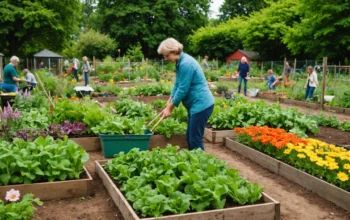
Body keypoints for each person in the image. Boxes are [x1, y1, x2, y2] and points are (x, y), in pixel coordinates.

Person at [157, 38, 214, 151]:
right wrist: (170, 99)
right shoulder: (180, 62)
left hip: (201, 105)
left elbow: (183, 90)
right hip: (196, 106)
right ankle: (194, 164)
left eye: (166, 55)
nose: (165, 58)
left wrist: (170, 108)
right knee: (190, 137)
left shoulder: (186, 64)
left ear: (173, 51)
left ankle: (200, 166)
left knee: (195, 139)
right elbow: (178, 84)